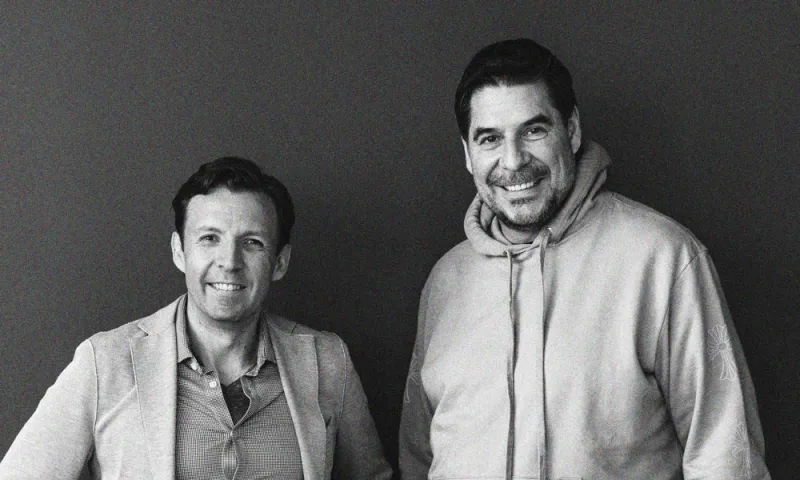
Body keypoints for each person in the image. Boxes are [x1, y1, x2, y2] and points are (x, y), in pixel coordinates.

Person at [399, 38, 770, 479]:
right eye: (490, 138)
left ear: (571, 130)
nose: (513, 161)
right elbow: (418, 460)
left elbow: (725, 458)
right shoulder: (446, 282)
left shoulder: (663, 259)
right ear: (467, 154)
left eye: (534, 131)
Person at [1, 157, 392, 479]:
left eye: (252, 242)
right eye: (209, 238)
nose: (229, 262)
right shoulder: (106, 363)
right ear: (179, 251)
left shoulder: (327, 362)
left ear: (280, 262)